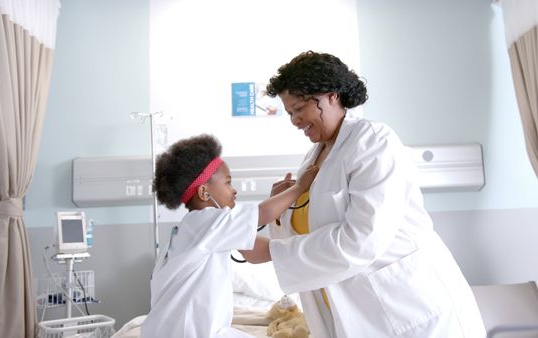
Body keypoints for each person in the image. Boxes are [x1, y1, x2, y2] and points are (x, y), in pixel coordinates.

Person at [241, 51, 486, 337]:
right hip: (359, 313)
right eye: (289, 113)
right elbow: (311, 235)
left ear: (330, 96)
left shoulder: (373, 141)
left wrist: (271, 252)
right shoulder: (314, 157)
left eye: (298, 109)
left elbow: (362, 239)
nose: (295, 121)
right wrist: (283, 211)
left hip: (411, 310)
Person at [141, 134, 318, 338]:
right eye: (228, 182)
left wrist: (301, 249)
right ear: (204, 193)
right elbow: (262, 214)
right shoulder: (205, 221)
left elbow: (254, 252)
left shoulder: (195, 229)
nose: (235, 191)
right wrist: (299, 188)